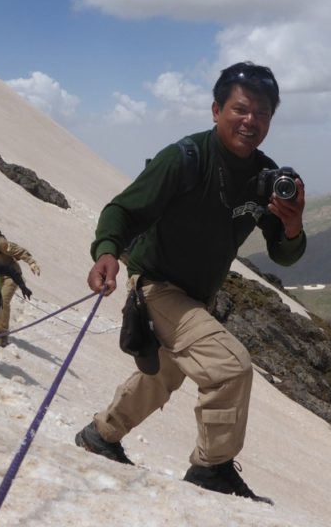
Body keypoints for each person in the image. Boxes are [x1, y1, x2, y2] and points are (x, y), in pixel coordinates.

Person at [76, 62, 306, 504]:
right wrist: (106, 251)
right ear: (217, 109)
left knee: (162, 374)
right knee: (230, 366)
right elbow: (122, 210)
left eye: (262, 114)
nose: (250, 121)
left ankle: (100, 435)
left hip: (196, 297)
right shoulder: (185, 158)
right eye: (241, 109)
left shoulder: (264, 178)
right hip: (156, 285)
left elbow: (283, 253)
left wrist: (293, 225)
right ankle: (210, 469)